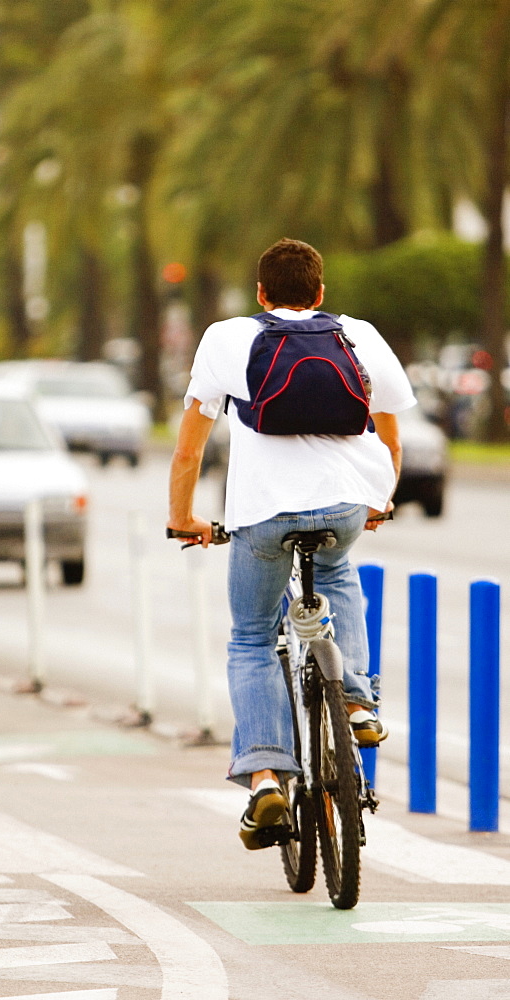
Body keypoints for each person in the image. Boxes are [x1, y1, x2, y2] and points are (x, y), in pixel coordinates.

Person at [167, 237, 416, 850]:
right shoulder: (358, 335)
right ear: (321, 292)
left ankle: (266, 777)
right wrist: (378, 501)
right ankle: (356, 702)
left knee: (252, 636)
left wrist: (185, 519)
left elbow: (190, 448)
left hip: (262, 514)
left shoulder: (227, 339)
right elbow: (389, 438)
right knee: (337, 573)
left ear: (261, 294)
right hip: (344, 504)